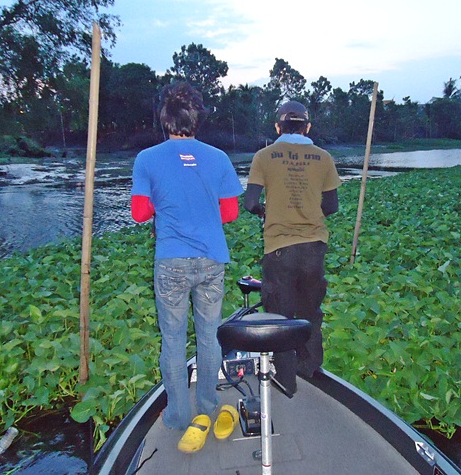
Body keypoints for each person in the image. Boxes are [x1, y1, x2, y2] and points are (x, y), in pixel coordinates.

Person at [131, 81, 243, 452]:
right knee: (208, 335)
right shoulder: (219, 158)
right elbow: (230, 213)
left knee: (174, 339)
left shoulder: (147, 159)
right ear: (197, 119)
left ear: (166, 120)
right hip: (212, 260)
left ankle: (179, 414)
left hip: (172, 263)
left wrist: (166, 203)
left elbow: (138, 213)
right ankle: (208, 406)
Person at [243, 100, 341, 394]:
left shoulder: (264, 156)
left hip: (279, 248)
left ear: (278, 127)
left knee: (281, 317)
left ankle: (286, 381)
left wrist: (266, 212)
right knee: (310, 311)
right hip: (314, 247)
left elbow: (249, 203)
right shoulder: (323, 158)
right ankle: (310, 372)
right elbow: (332, 206)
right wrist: (308, 212)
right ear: (307, 127)